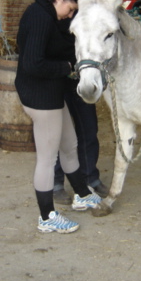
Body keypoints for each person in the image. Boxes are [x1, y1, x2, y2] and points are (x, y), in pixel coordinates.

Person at [15, 0, 102, 234]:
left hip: (50, 93)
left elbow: (57, 45)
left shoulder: (48, 13)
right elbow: (32, 64)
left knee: (69, 144)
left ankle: (81, 195)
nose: (71, 14)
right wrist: (67, 67)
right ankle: (47, 216)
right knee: (47, 157)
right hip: (40, 97)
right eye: (71, 8)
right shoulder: (39, 17)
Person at [52, 16, 108, 204]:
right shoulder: (50, 18)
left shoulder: (86, 18)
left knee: (89, 130)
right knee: (57, 135)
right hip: (57, 82)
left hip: (82, 80)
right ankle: (56, 183)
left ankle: (90, 178)